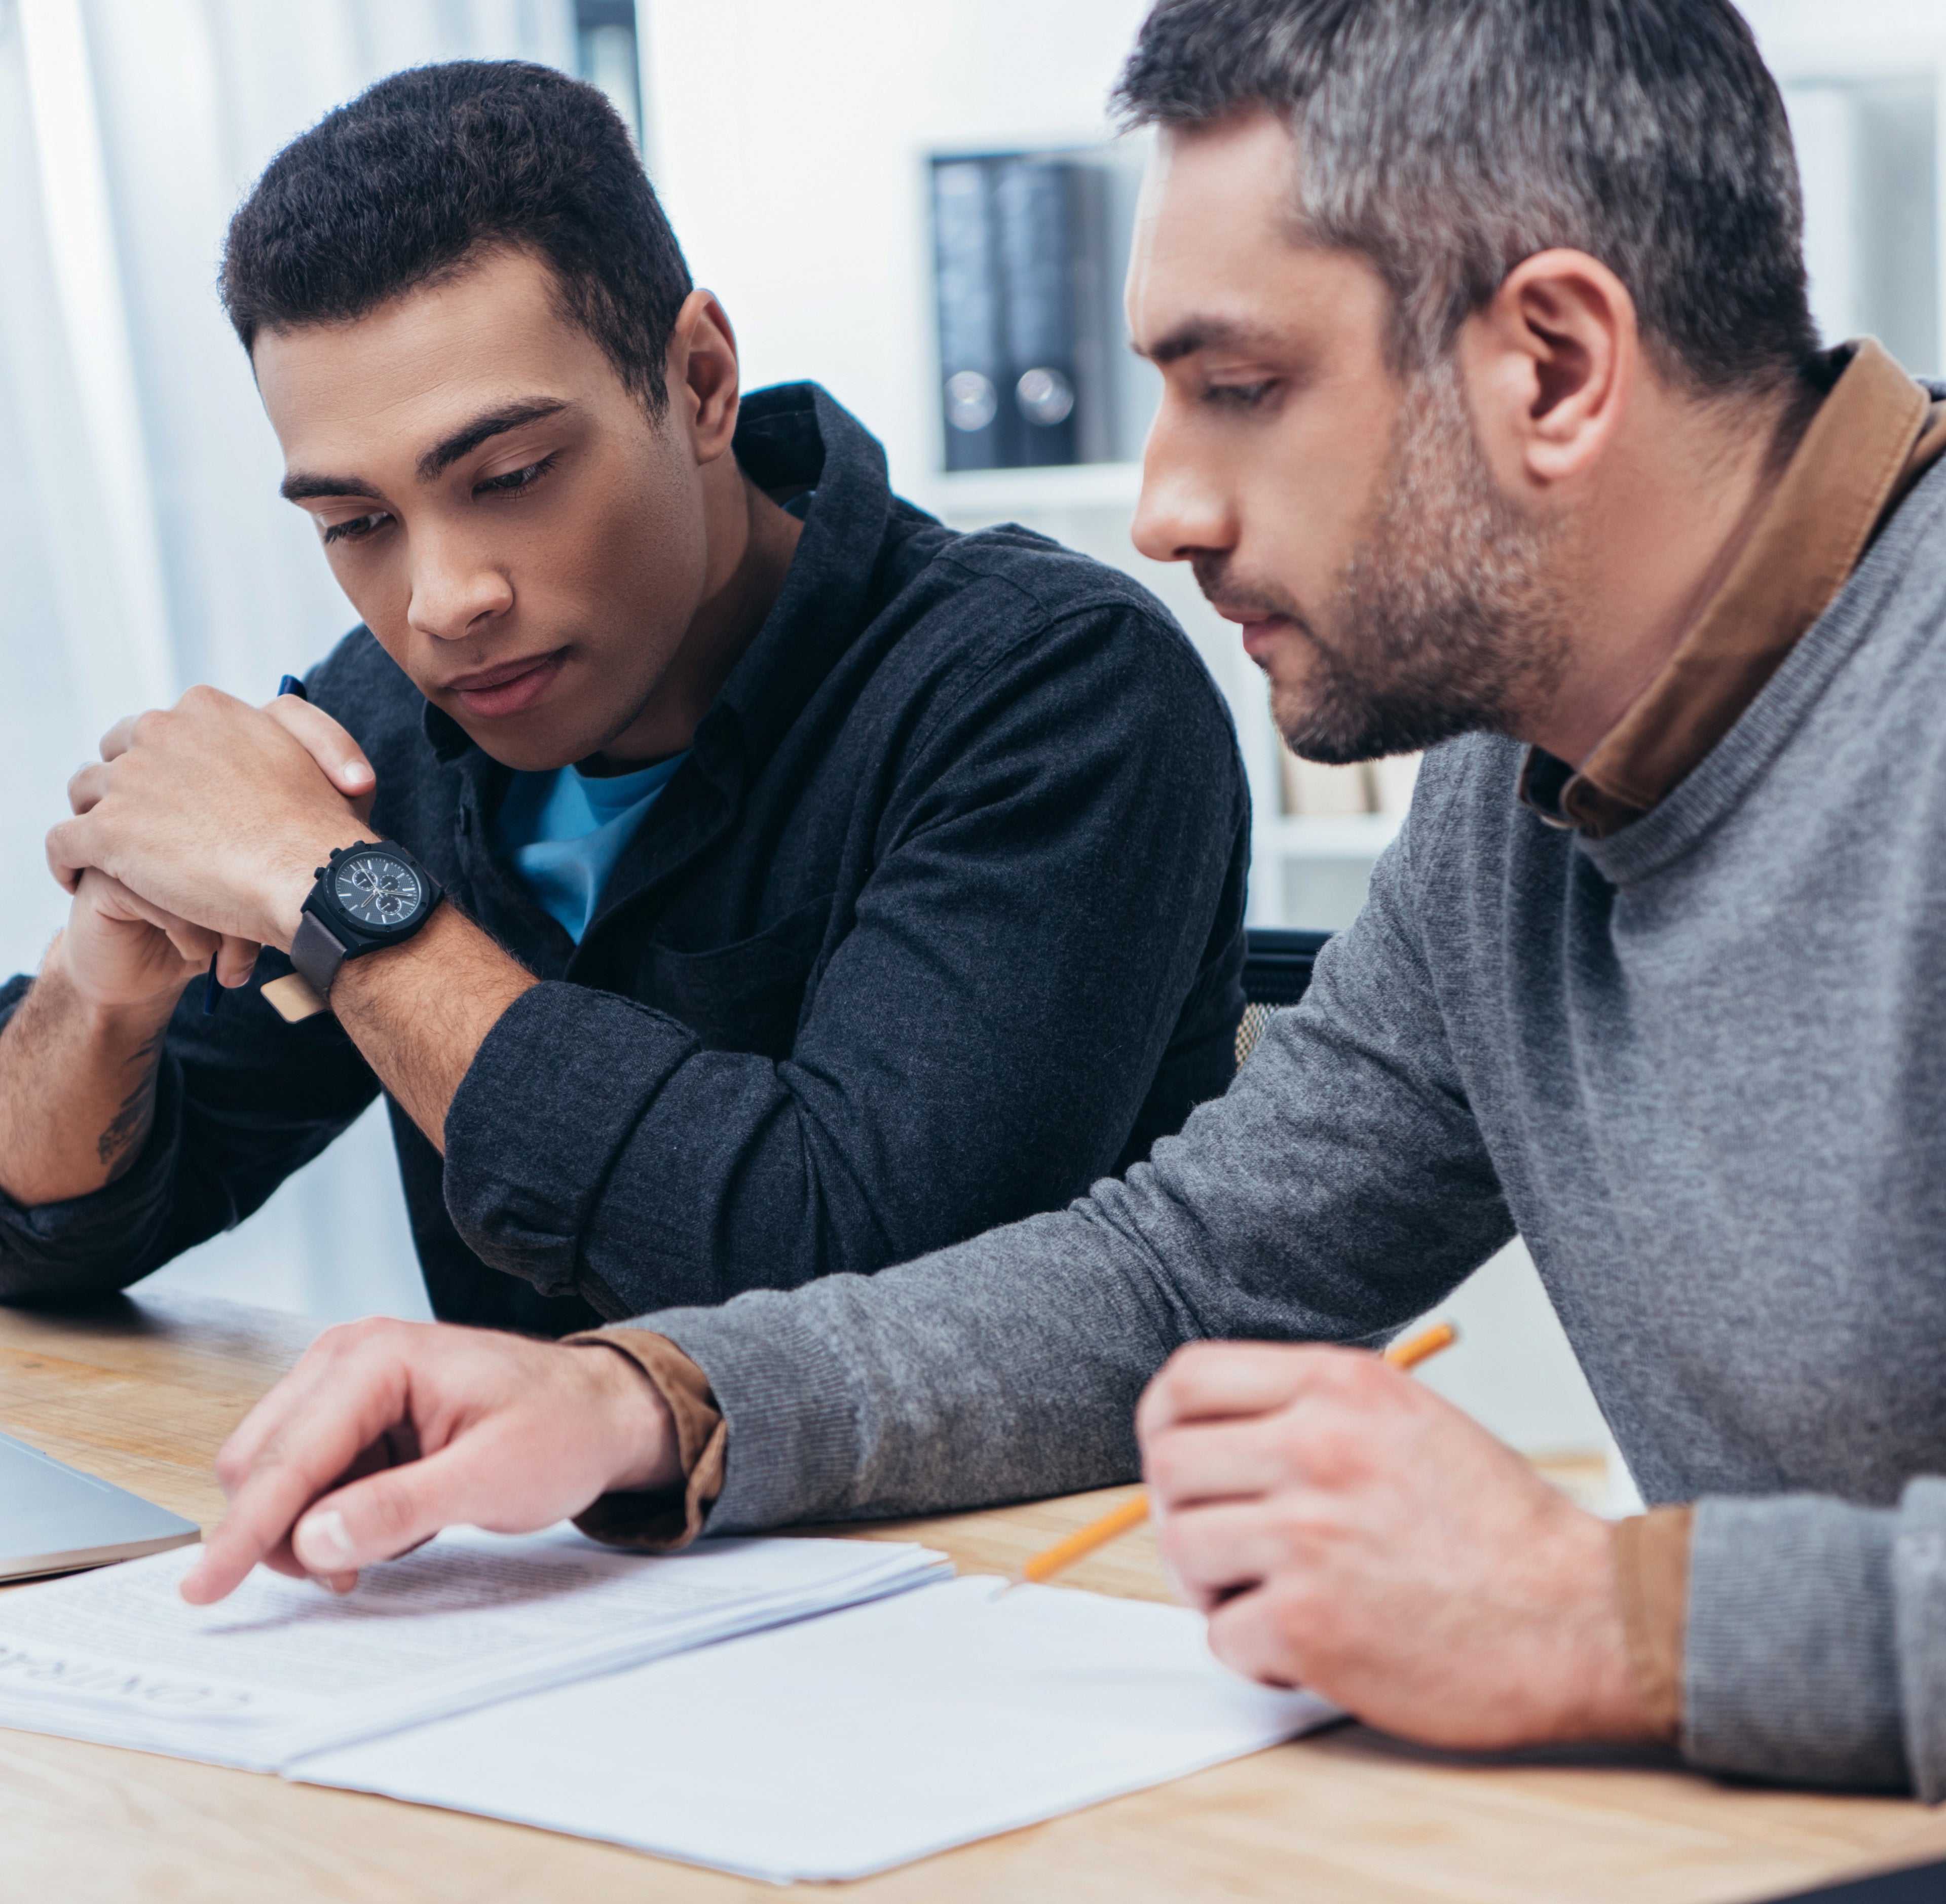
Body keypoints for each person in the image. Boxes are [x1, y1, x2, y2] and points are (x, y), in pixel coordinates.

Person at [71, 0, 1946, 1799]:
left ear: (1552, 364)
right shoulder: (1510, 799)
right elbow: (1190, 1266)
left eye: (1237, 388)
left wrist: (1597, 1616)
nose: (1164, 507)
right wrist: (655, 1403)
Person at [0, 62, 1249, 1335]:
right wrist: (100, 990)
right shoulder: (385, 725)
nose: (442, 600)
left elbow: (861, 1290)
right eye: (357, 519)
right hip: (533, 1532)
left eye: (514, 473)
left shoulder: (1054, 692)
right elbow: (42, 1230)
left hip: (1019, 1537)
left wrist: (344, 899)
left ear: (701, 380)